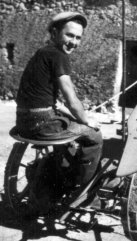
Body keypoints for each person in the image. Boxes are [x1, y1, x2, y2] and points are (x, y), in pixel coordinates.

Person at [15, 12, 103, 186]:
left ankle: (60, 170)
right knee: (95, 135)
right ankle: (83, 187)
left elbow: (44, 98)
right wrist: (87, 120)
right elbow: (71, 98)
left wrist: (72, 115)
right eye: (69, 35)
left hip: (24, 120)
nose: (74, 42)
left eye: (78, 38)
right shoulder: (58, 55)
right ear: (54, 33)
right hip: (43, 122)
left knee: (71, 123)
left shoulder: (42, 53)